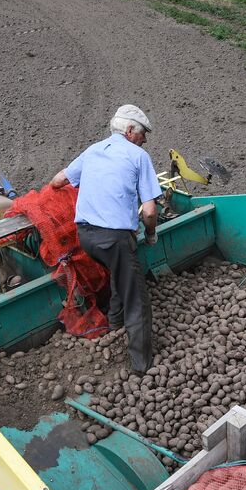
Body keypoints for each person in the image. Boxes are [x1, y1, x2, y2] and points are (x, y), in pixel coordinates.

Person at [52, 104, 163, 373]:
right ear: (129, 130)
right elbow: (149, 212)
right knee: (137, 297)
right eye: (142, 133)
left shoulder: (92, 150)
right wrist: (150, 234)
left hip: (86, 237)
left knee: (119, 270)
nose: (145, 140)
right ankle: (141, 364)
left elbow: (57, 181)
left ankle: (114, 322)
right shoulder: (138, 156)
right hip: (114, 239)